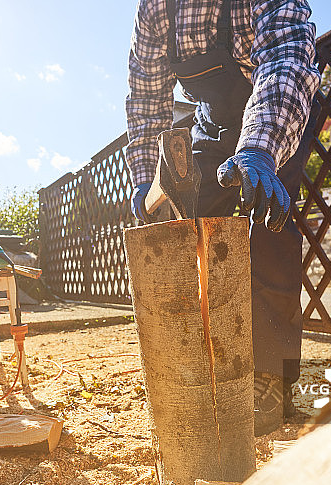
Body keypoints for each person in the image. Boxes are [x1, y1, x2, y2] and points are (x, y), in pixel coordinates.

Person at [126, 0, 320, 435]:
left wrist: (259, 148)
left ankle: (273, 378)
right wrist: (144, 180)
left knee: (272, 226)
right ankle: (208, 359)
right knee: (194, 228)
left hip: (279, 107)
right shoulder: (157, 8)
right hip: (211, 125)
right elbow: (145, 98)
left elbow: (285, 59)